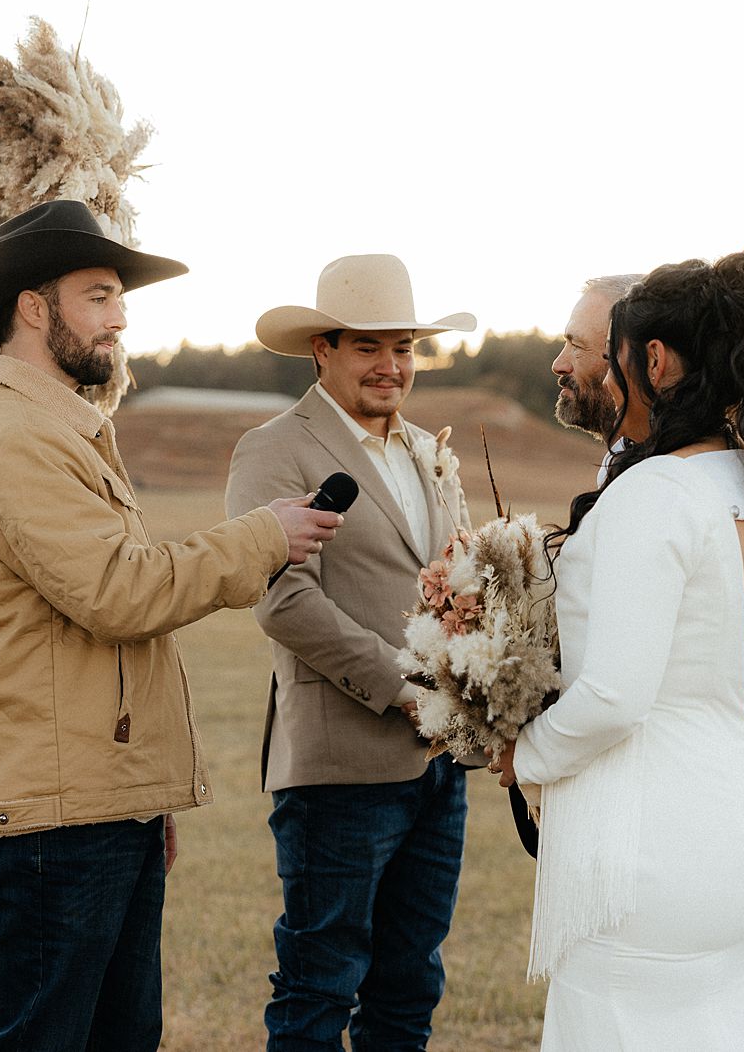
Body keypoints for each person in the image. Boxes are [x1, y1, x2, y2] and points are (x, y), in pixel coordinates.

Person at [0, 199, 344, 1052]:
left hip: (92, 806)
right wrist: (266, 535)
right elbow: (122, 591)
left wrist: (144, 797)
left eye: (121, 298)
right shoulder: (15, 437)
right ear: (35, 308)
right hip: (55, 822)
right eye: (101, 295)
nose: (121, 318)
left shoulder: (56, 427)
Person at [493, 246, 744, 1050]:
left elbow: (614, 697)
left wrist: (521, 754)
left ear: (656, 360)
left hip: (651, 856)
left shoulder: (650, 493)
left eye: (615, 359)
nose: (603, 377)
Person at [224, 254, 476, 1051]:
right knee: (317, 989)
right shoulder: (274, 448)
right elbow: (284, 600)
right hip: (340, 769)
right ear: (321, 352)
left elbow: (457, 574)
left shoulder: (428, 453)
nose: (391, 366)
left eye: (403, 347)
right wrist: (406, 687)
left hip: (439, 766)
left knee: (409, 989)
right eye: (368, 346)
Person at [551, 274, 642, 439]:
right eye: (567, 343)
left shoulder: (664, 465)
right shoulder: (618, 461)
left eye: (577, 346)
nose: (558, 365)